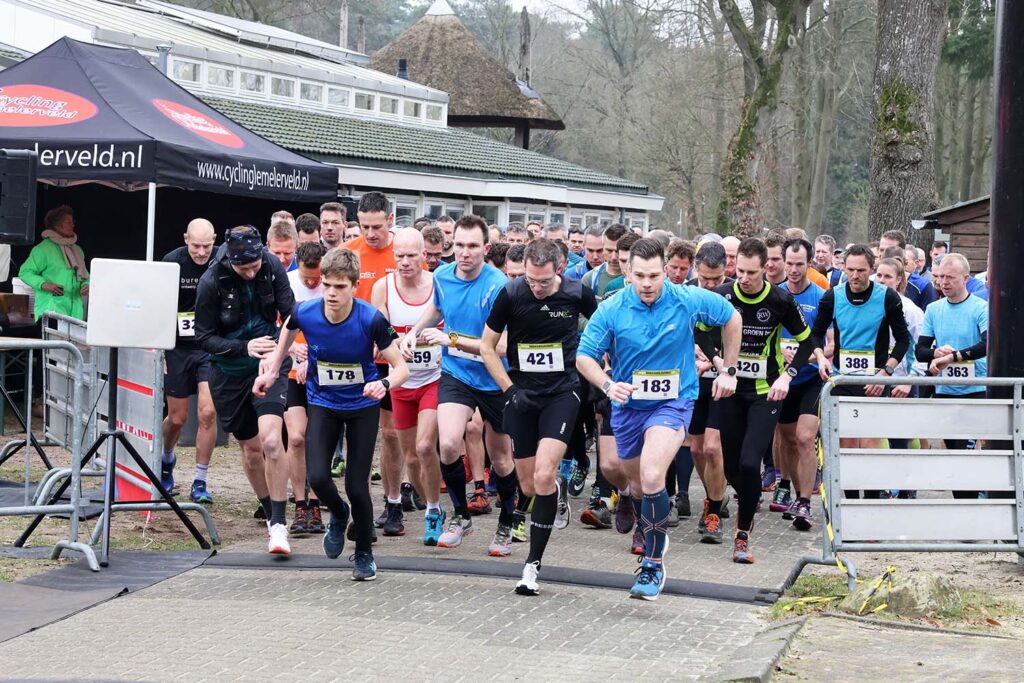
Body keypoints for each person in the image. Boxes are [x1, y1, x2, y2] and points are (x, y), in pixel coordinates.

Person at [578, 238, 741, 600]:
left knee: (653, 476)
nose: (648, 283)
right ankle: (631, 502)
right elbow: (584, 356)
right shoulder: (612, 308)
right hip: (628, 407)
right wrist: (607, 385)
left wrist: (729, 369)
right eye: (640, 276)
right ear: (628, 275)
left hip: (674, 401)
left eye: (654, 275)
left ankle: (652, 563)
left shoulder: (685, 299)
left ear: (665, 271)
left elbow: (732, 318)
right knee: (632, 480)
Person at [255, 248, 410, 581]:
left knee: (357, 486)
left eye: (339, 287)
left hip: (362, 407)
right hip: (322, 402)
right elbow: (289, 328)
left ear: (354, 286)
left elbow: (401, 368)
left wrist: (383, 383)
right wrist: (272, 370)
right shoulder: (307, 312)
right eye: (326, 285)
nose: (331, 293)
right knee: (319, 477)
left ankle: (364, 554)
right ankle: (338, 514)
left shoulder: (371, 319)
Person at [480, 238, 597, 595]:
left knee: (545, 473)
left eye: (544, 282)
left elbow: (607, 327)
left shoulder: (577, 293)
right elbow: (486, 346)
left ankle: (531, 566)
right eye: (531, 280)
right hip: (522, 395)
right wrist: (509, 390)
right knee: (530, 486)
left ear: (559, 269)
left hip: (563, 392)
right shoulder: (512, 294)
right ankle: (553, 491)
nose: (537, 288)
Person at [400, 215, 519, 556]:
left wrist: (450, 339)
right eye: (459, 246)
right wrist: (413, 332)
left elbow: (499, 346)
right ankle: (461, 515)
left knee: (501, 460)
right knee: (449, 444)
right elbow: (437, 308)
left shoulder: (499, 287)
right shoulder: (442, 276)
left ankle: (507, 523)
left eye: (472, 247)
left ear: (486, 248)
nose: (464, 254)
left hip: (495, 376)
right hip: (457, 374)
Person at [697, 238, 815, 564]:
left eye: (752, 272)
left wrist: (787, 376)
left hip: (765, 392)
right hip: (729, 390)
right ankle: (745, 499)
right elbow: (701, 331)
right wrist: (720, 364)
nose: (744, 278)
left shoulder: (780, 299)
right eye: (740, 271)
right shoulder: (723, 296)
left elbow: (808, 342)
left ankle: (743, 533)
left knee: (751, 464)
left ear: (766, 268)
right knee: (734, 468)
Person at [195, 225, 295, 554]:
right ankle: (269, 510)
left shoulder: (272, 266)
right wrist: (243, 347)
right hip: (229, 373)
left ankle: (279, 525)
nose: (252, 272)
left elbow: (291, 315)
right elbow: (204, 337)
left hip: (270, 365)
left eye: (256, 265)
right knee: (252, 451)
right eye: (245, 268)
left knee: (271, 441)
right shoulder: (212, 281)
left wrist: (279, 354)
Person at [810, 244, 911, 499]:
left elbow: (902, 340)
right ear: (843, 267)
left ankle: (872, 501)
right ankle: (850, 506)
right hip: (841, 379)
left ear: (872, 269)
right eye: (850, 270)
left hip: (873, 381)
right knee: (844, 445)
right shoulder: (832, 297)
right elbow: (815, 334)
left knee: (868, 445)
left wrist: (885, 373)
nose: (855, 276)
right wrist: (821, 357)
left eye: (861, 271)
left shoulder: (887, 297)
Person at [371, 228, 445, 545]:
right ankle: (405, 499)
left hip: (435, 378)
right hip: (401, 381)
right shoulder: (382, 287)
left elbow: (451, 324)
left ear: (424, 255)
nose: (404, 262)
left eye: (411, 255)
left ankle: (433, 510)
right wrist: (396, 344)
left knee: (427, 447)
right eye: (398, 256)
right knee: (409, 456)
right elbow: (380, 331)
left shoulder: (439, 285)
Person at [344, 192, 403, 534]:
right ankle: (359, 508)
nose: (371, 233)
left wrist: (391, 343)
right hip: (357, 357)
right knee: (359, 437)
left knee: (392, 434)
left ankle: (393, 503)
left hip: (392, 355)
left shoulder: (405, 254)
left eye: (377, 226)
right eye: (365, 226)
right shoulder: (351, 252)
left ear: (390, 221)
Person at [917, 253, 988, 498]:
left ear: (966, 278)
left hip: (975, 390)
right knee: (953, 450)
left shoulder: (980, 307)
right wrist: (936, 352)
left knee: (965, 454)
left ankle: (972, 506)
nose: (943, 282)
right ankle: (964, 505)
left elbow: (986, 345)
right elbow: (920, 351)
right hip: (945, 390)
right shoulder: (934, 309)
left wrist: (953, 357)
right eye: (940, 277)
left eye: (950, 277)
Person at [159, 219, 218, 504]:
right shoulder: (173, 261)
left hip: (209, 347)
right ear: (186, 239)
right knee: (178, 417)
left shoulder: (222, 259)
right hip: (178, 348)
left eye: (207, 246)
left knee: (207, 413)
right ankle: (166, 460)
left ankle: (200, 480)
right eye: (196, 245)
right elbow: (158, 304)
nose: (201, 252)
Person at [772, 239, 827, 530]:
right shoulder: (774, 296)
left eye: (799, 264)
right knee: (790, 440)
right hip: (781, 381)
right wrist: (780, 353)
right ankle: (795, 493)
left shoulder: (821, 297)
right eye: (789, 263)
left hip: (810, 380)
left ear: (809, 264)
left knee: (806, 438)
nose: (793, 270)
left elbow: (832, 345)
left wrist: (808, 356)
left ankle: (805, 501)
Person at [684, 242, 732, 543]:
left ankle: (713, 510)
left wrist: (723, 363)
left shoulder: (734, 295)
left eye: (717, 279)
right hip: (694, 378)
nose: (711, 286)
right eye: (705, 280)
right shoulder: (685, 294)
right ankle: (714, 495)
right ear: (695, 270)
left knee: (714, 448)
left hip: (724, 379)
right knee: (697, 449)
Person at [282, 241, 328, 535]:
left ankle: (317, 502)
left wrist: (313, 357)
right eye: (307, 277)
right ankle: (301, 504)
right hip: (291, 373)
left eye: (316, 278)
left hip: (323, 371)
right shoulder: (285, 284)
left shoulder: (332, 285)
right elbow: (274, 329)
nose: (312, 282)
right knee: (296, 438)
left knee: (318, 438)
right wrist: (290, 353)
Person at [20, 205, 89, 321]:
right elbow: (25, 272)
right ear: (57, 226)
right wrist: (43, 284)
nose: (73, 225)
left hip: (76, 313)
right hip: (51, 310)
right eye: (68, 222)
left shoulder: (77, 250)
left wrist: (86, 284)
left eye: (73, 222)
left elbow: (85, 275)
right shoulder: (43, 249)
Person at [879, 230, 936, 309]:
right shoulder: (872, 282)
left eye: (890, 249)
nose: (884, 254)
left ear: (902, 252)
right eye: (881, 250)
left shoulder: (922, 286)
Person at [581, 223, 628, 300]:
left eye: (617, 251)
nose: (613, 257)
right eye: (609, 250)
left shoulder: (640, 278)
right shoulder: (590, 279)